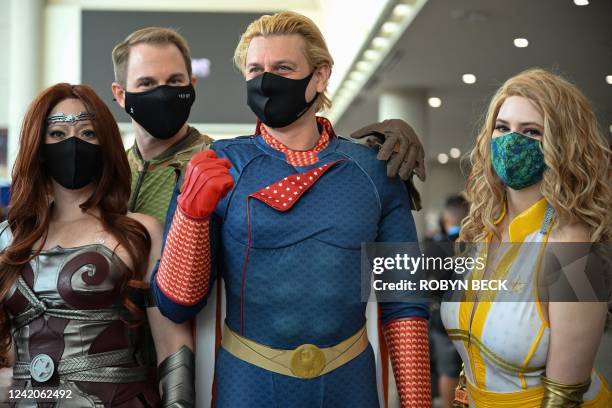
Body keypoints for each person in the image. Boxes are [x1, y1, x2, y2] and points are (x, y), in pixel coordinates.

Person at [151, 11, 431, 407]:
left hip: (349, 382)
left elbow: (404, 302)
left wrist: (417, 402)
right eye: (255, 69)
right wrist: (190, 217)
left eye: (283, 67)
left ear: (320, 75)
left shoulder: (373, 170)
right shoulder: (218, 165)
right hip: (247, 383)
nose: (266, 80)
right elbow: (177, 303)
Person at [0, 83, 194, 407]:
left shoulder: (141, 232)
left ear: (105, 143)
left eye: (88, 133)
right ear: (38, 146)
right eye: (58, 134)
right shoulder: (8, 238)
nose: (73, 143)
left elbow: (173, 346)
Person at [441, 68, 611, 407]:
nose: (511, 141)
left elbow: (565, 396)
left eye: (531, 131)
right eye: (502, 128)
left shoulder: (573, 247)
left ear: (561, 144)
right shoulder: (482, 228)